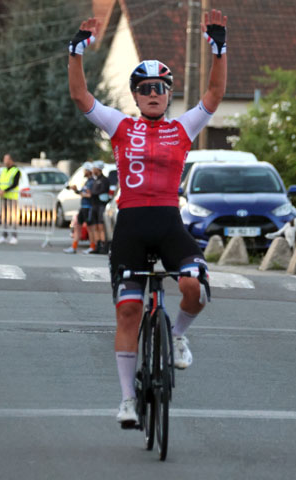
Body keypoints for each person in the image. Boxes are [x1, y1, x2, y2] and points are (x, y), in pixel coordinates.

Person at [68, 10, 227, 426]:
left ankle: (176, 336)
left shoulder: (184, 127)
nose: (153, 93)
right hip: (132, 227)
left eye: (160, 88)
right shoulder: (119, 125)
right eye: (144, 89)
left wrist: (219, 50)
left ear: (168, 94)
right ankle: (126, 400)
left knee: (196, 288)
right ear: (136, 96)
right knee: (127, 312)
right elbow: (82, 96)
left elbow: (213, 92)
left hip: (169, 224)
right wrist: (76, 53)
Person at [64, 162, 94, 254]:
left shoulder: (92, 182)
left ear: (89, 171)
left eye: (85, 170)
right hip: (83, 207)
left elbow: (90, 195)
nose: (84, 172)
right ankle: (74, 247)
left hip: (88, 207)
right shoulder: (87, 181)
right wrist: (76, 190)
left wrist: (81, 193)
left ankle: (92, 247)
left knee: (90, 228)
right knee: (77, 226)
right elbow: (83, 192)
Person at [0, 153, 20, 245]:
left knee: (13, 217)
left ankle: (14, 236)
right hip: (3, 197)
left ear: (11, 160)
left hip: (12, 197)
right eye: (4, 159)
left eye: (6, 159)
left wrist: (4, 191)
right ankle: (4, 235)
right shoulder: (3, 170)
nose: (4, 161)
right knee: (4, 217)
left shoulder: (16, 171)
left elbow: (14, 184)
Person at [87, 160, 109, 254]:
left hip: (101, 206)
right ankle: (97, 245)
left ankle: (104, 246)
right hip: (94, 205)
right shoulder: (96, 180)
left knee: (101, 226)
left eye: (94, 168)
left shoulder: (104, 180)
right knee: (95, 226)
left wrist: (92, 193)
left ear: (98, 169)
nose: (92, 170)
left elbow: (103, 191)